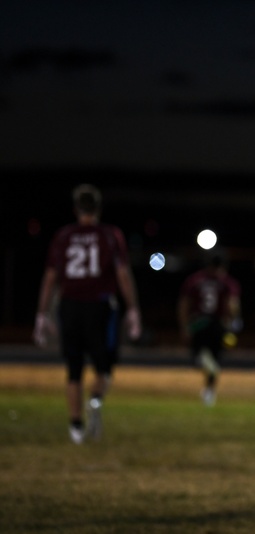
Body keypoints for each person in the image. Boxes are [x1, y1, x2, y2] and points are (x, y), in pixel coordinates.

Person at [32, 183, 142, 444]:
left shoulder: (63, 236)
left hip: (69, 305)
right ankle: (94, 400)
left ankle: (75, 427)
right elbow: (122, 274)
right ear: (99, 209)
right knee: (104, 366)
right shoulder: (110, 235)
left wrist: (41, 313)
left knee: (74, 369)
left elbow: (50, 277)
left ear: (76, 209)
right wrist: (133, 308)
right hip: (100, 305)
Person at [177, 252, 242, 406]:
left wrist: (184, 326)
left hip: (197, 323)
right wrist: (234, 324)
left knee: (202, 357)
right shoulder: (227, 282)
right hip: (217, 325)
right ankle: (209, 391)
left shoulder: (194, 280)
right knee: (215, 361)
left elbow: (184, 305)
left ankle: (208, 384)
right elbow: (232, 305)